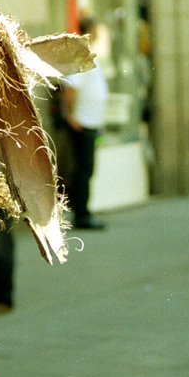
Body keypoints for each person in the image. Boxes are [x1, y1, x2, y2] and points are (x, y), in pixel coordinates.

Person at [61, 16, 109, 231]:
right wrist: (71, 116)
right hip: (83, 122)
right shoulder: (82, 54)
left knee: (87, 169)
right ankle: (82, 214)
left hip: (91, 121)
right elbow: (72, 88)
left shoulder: (90, 54)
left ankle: (83, 210)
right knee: (83, 169)